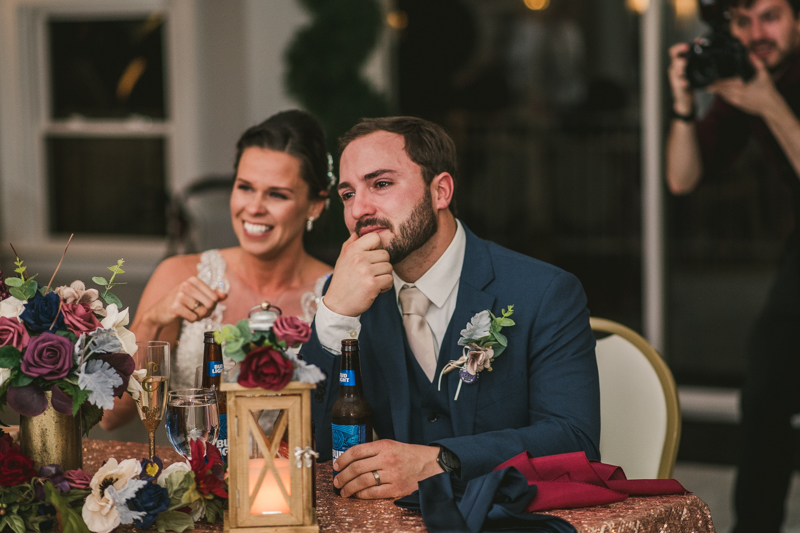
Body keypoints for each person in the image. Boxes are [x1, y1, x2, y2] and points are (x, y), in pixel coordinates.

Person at [300, 116, 600, 499]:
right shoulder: (346, 295)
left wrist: (440, 461)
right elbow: (306, 451)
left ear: (440, 191)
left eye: (381, 184)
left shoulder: (544, 293)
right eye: (347, 194)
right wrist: (334, 316)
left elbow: (575, 441)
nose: (359, 209)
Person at [100, 109, 334, 430]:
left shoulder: (336, 296)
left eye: (277, 194)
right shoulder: (179, 275)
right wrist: (154, 320)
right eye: (245, 187)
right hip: (192, 475)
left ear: (315, 205)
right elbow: (112, 416)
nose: (253, 207)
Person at [666, 0, 800, 531]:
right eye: (741, 23)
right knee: (766, 393)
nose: (754, 34)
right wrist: (683, 105)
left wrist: (770, 105)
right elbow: (681, 178)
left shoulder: (765, 89)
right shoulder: (751, 80)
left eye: (769, 16)